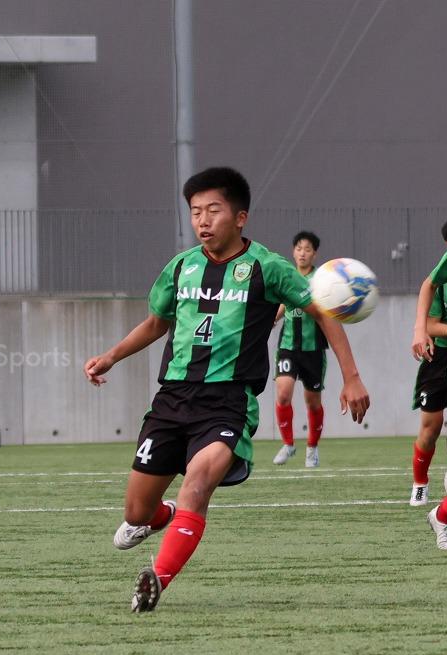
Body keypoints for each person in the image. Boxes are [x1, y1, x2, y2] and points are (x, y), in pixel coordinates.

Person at [84, 167, 370, 613]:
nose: (202, 220)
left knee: (197, 485)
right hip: (171, 401)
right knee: (137, 512)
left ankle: (156, 580)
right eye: (195, 211)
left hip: (228, 403)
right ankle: (161, 518)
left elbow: (322, 311)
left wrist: (351, 377)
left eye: (213, 210)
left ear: (240, 218)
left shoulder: (268, 267)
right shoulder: (181, 266)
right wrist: (111, 356)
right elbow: (157, 323)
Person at [272, 231, 327, 467]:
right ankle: (288, 444)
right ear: (293, 252)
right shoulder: (288, 275)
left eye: (307, 249)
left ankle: (312, 448)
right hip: (288, 346)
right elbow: (283, 303)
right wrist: (272, 319)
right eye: (298, 248)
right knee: (283, 393)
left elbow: (328, 307)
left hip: (313, 349)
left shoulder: (322, 279)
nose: (302, 253)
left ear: (314, 254)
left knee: (312, 402)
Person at [410, 223, 447, 546]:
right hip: (440, 360)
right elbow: (431, 321)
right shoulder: (442, 275)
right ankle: (420, 483)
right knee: (430, 428)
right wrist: (420, 331)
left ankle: (442, 515)